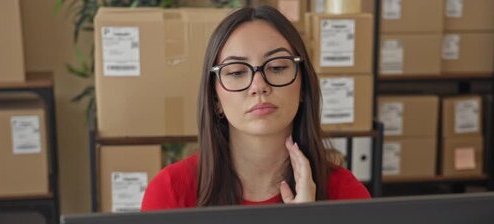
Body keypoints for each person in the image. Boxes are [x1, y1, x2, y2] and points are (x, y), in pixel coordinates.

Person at [141, 5, 370, 211]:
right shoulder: (170, 192)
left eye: (278, 67)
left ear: (303, 88)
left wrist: (306, 222)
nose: (258, 86)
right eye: (237, 72)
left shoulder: (345, 194)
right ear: (215, 99)